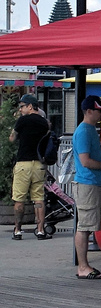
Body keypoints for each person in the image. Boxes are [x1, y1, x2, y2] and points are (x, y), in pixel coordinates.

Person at [72, 95, 101, 279]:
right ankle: (83, 267)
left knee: (87, 225)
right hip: (86, 183)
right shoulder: (83, 131)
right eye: (100, 110)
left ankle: (84, 265)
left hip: (91, 183)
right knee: (84, 226)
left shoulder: (90, 130)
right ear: (89, 111)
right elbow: (86, 161)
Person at [9, 94, 50, 240]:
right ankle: (40, 230)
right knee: (38, 199)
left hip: (23, 165)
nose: (20, 110)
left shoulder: (22, 121)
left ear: (30, 106)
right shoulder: (44, 122)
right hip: (39, 164)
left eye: (22, 106)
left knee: (19, 199)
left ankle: (17, 230)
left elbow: (12, 138)